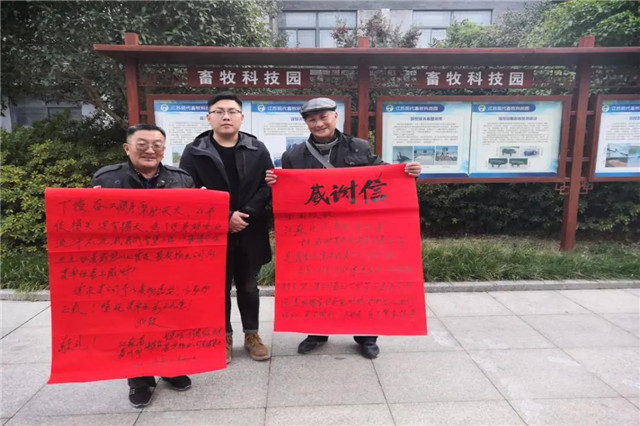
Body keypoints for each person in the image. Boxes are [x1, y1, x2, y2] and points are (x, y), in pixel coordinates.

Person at [265, 97, 422, 359]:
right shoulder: (293, 156)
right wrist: (275, 181)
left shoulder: (358, 147)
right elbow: (291, 193)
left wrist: (406, 171)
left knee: (362, 281)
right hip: (315, 233)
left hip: (356, 231)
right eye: (312, 120)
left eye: (323, 117)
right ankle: (316, 332)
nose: (318, 124)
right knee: (316, 282)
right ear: (306, 123)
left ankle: (366, 336)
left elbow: (382, 173)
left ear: (335, 117)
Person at [90, 123, 194, 408]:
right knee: (133, 323)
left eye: (157, 145)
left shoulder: (181, 178)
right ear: (127, 148)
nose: (150, 150)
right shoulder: (107, 179)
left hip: (169, 266)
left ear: (164, 149)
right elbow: (93, 225)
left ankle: (170, 367)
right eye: (142, 145)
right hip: (127, 267)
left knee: (169, 318)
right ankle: (139, 379)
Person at [179, 91, 273, 364]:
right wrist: (226, 216)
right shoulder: (194, 151)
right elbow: (188, 189)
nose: (226, 116)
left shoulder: (257, 148)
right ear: (209, 118)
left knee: (249, 285)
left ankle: (252, 335)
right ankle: (223, 336)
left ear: (241, 117)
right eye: (219, 111)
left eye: (232, 111)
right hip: (212, 231)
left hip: (250, 228)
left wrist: (245, 214)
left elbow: (268, 184)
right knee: (217, 287)